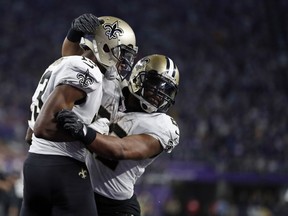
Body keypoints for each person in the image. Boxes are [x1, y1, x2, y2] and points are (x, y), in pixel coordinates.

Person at [21, 14, 138, 216]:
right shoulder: (88, 71)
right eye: (122, 53)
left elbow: (32, 133)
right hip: (63, 165)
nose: (125, 61)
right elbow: (43, 128)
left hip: (35, 163)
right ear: (106, 47)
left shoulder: (66, 63)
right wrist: (86, 132)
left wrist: (73, 35)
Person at [56, 54, 180, 216]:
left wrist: (83, 131)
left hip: (115, 207)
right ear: (138, 77)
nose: (159, 94)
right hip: (80, 190)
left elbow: (121, 149)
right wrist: (75, 34)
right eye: (155, 85)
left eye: (166, 90)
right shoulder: (111, 86)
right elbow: (71, 62)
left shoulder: (161, 125)